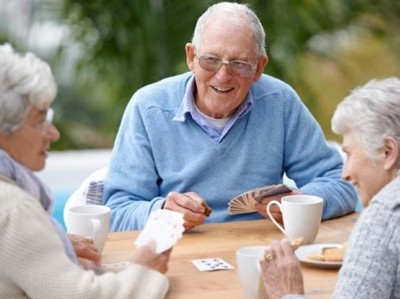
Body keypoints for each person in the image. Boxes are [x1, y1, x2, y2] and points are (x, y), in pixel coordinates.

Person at [103, 1, 358, 232]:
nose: (223, 76)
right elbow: (116, 210)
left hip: (260, 252)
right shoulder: (148, 108)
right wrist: (160, 213)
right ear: (191, 57)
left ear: (259, 67)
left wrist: (298, 203)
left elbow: (342, 183)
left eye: (239, 64)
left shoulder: (280, 102)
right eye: (211, 60)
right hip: (177, 251)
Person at [0, 43, 171, 298]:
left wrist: (50, 246)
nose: (53, 133)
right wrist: (145, 270)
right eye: (39, 122)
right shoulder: (13, 209)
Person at [259, 77, 400, 298]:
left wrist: (289, 292)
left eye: (350, 153)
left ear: (388, 152)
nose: (346, 173)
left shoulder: (385, 217)